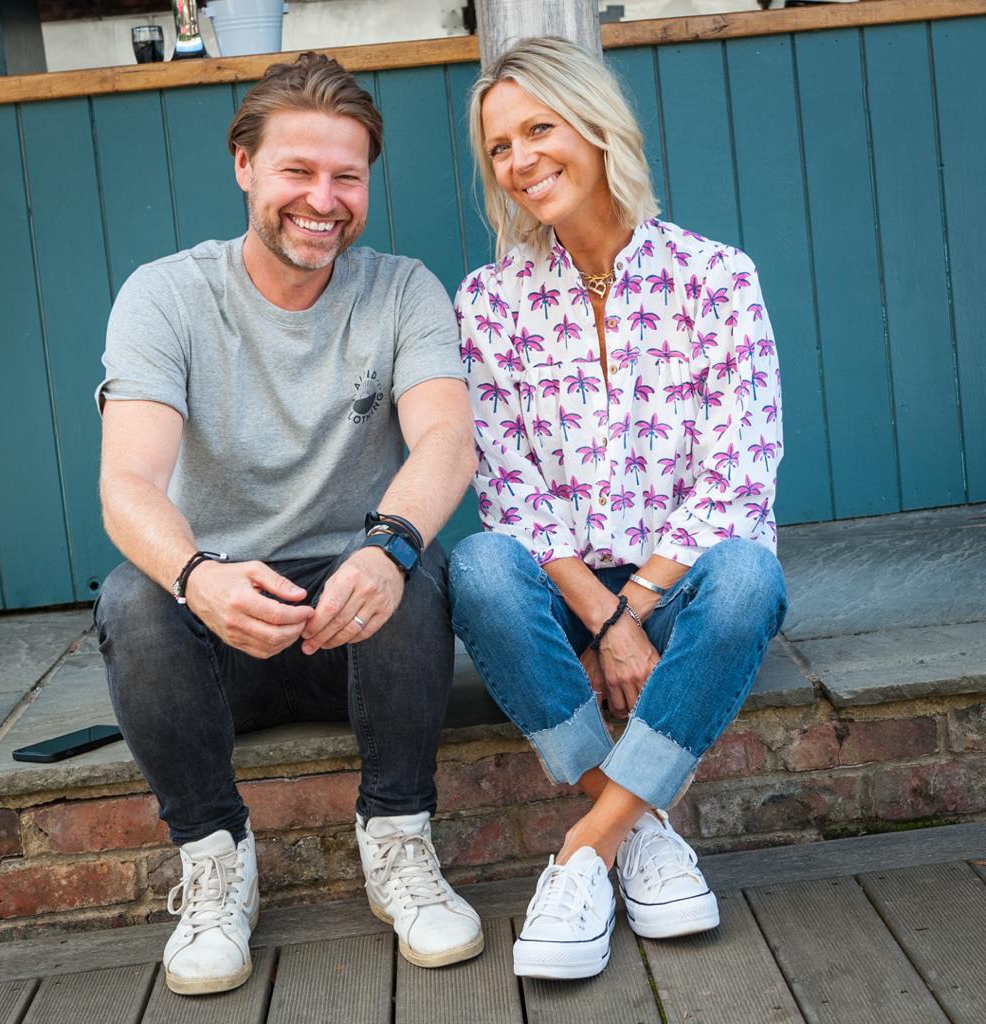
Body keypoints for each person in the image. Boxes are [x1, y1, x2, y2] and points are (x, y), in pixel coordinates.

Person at [94, 52, 482, 996]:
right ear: (243, 166)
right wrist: (198, 576)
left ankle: (399, 841)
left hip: (358, 626)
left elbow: (446, 441)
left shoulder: (403, 290)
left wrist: (388, 547)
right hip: (225, 622)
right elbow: (128, 483)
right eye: (297, 171)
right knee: (135, 598)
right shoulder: (166, 295)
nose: (323, 199)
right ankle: (215, 861)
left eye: (347, 176)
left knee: (419, 564)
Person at [449, 37, 788, 981]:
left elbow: (738, 476)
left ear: (597, 128)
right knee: (477, 569)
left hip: (680, 589)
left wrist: (630, 614)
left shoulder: (717, 278)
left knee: (748, 578)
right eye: (500, 147)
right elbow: (509, 489)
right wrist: (599, 619)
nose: (520, 161)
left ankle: (588, 845)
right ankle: (638, 830)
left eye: (539, 130)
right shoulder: (489, 303)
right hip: (561, 592)